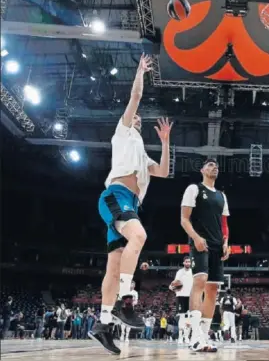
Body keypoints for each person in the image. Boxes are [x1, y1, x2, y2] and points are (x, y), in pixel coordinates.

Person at [90, 54, 173, 355]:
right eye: (134, 116)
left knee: (114, 266)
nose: (136, 118)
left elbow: (163, 171)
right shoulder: (123, 132)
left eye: (138, 118)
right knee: (139, 236)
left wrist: (165, 142)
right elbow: (135, 96)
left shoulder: (142, 156)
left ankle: (102, 324)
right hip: (115, 196)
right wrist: (140, 72)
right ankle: (127, 301)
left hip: (130, 204)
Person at [180, 158, 231, 352]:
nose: (214, 167)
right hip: (200, 242)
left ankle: (204, 335)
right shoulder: (194, 189)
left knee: (212, 291)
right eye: (210, 165)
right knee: (199, 281)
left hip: (218, 246)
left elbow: (224, 224)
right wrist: (195, 238)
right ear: (202, 170)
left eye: (216, 165)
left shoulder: (221, 196)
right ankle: (194, 335)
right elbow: (184, 219)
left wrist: (226, 242)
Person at [169, 256, 193, 344]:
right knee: (182, 317)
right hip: (180, 296)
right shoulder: (179, 272)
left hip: (190, 296)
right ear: (183, 263)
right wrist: (172, 287)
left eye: (189, 262)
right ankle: (180, 337)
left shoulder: (193, 272)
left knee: (189, 318)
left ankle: (186, 337)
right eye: (186, 262)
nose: (187, 263)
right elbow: (175, 283)